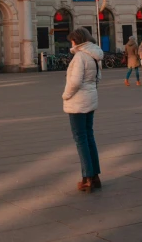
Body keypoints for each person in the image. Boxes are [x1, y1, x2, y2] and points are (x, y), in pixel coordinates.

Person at [62, 27, 103, 193]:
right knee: (89, 136)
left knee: (80, 139)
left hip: (77, 102)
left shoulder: (79, 56)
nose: (71, 43)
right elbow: (98, 78)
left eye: (72, 40)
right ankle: (95, 176)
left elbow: (75, 82)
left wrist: (66, 95)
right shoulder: (95, 55)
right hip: (91, 97)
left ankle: (87, 178)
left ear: (77, 41)